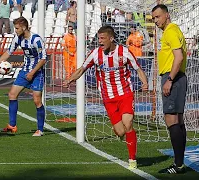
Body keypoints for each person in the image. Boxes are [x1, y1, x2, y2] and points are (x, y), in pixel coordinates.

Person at [63, 25, 148, 169]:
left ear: (111, 38)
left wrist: (144, 82)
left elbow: (138, 68)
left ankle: (132, 159)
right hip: (108, 98)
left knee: (128, 124)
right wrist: (70, 79)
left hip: (125, 94)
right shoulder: (95, 54)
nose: (100, 41)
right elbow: (82, 68)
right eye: (98, 39)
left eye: (103, 38)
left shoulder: (124, 52)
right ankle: (121, 134)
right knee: (120, 131)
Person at [0, 17, 47, 136]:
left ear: (24, 27)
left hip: (37, 73)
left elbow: (44, 59)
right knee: (12, 94)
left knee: (37, 100)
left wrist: (32, 72)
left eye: (17, 28)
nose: (15, 30)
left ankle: (40, 129)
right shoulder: (18, 38)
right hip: (25, 71)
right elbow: (9, 52)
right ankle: (12, 126)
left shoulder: (36, 39)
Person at [152, 4, 187, 174]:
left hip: (173, 77)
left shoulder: (171, 31)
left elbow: (178, 57)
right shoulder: (172, 31)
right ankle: (179, 163)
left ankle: (178, 165)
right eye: (154, 18)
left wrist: (170, 80)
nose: (155, 21)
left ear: (167, 15)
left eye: (158, 17)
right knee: (178, 120)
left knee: (172, 120)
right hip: (176, 78)